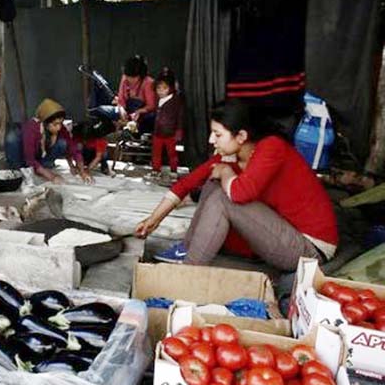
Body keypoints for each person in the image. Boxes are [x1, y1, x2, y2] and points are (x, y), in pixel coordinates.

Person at [135, 100, 337, 272]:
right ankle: (187, 248)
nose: (211, 140)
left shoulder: (271, 147)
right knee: (214, 185)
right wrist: (153, 220)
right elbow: (187, 183)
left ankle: (188, 271)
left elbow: (240, 194)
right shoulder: (233, 154)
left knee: (224, 197)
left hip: (310, 249)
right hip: (283, 234)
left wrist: (226, 172)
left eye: (218, 134)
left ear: (241, 136)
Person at [5, 99, 92, 184]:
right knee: (12, 138)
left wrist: (82, 171)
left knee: (62, 143)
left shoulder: (61, 129)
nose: (58, 127)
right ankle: (21, 169)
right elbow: (30, 159)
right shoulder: (32, 129)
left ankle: (43, 166)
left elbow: (73, 147)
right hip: (24, 156)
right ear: (45, 123)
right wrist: (52, 176)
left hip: (39, 156)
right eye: (55, 124)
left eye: (60, 123)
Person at [152, 68, 184, 174]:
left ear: (171, 88)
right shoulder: (157, 100)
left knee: (172, 154)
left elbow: (180, 116)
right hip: (158, 132)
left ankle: (173, 171)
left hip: (170, 133)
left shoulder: (175, 100)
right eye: (158, 88)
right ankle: (156, 170)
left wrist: (178, 131)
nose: (161, 91)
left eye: (164, 88)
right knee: (156, 153)